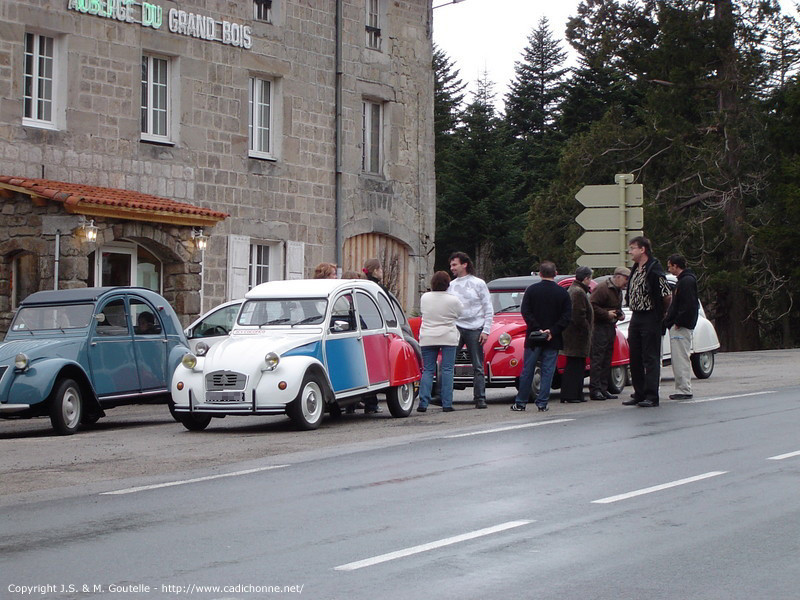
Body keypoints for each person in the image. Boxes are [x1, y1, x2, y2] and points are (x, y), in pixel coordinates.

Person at [510, 261, 572, 412]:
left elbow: (526, 311)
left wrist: (537, 329)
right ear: (555, 273)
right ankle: (542, 403)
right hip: (553, 338)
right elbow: (566, 316)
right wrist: (552, 331)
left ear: (540, 274)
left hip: (533, 337)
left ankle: (521, 402)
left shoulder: (531, 290)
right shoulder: (562, 293)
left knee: (528, 370)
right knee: (548, 371)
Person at [623, 236, 672, 408]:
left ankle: (652, 395)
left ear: (642, 249)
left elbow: (666, 295)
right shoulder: (636, 269)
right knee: (634, 356)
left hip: (650, 315)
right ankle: (639, 392)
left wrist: (661, 313)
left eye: (632, 248)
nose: (630, 252)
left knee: (650, 357)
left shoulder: (654, 269)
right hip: (636, 315)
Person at [447, 251, 493, 409]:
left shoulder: (478, 283)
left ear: (464, 264)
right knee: (448, 363)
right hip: (457, 327)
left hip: (475, 327)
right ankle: (445, 395)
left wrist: (486, 330)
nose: (452, 268)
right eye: (451, 265)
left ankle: (480, 397)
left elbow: (488, 307)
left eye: (455, 264)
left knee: (477, 365)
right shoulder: (451, 286)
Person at [417, 271, 463, 413]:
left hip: (428, 335)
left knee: (428, 370)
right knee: (447, 369)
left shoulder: (425, 297)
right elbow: (460, 313)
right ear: (447, 284)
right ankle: (447, 403)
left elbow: (422, 312)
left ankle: (423, 403)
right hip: (448, 336)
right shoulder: (453, 300)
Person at [588, 267, 630, 400]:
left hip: (610, 327)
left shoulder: (618, 291)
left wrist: (620, 314)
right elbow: (592, 306)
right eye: (626, 279)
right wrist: (606, 314)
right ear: (618, 276)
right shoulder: (602, 288)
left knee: (607, 358)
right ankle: (595, 389)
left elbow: (616, 308)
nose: (626, 283)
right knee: (598, 359)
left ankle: (603, 388)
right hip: (599, 327)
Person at [664, 254, 699, 400]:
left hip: (681, 326)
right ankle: (682, 387)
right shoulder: (683, 281)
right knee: (679, 357)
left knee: (680, 358)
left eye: (670, 266)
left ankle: (684, 389)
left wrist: (678, 321)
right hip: (680, 324)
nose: (669, 268)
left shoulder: (686, 282)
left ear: (675, 266)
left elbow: (689, 304)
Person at [560, 266, 594, 404]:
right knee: (574, 366)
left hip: (575, 335)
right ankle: (571, 394)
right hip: (576, 336)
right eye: (590, 278)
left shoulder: (576, 290)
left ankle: (576, 393)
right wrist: (587, 329)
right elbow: (578, 314)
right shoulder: (578, 292)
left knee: (577, 365)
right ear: (586, 278)